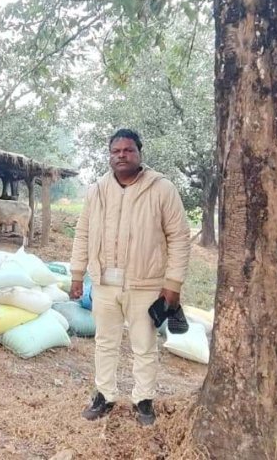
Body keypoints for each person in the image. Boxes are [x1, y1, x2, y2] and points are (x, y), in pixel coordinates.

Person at [69, 128, 190, 427]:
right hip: (104, 284)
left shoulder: (161, 188)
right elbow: (82, 233)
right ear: (110, 156)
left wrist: (172, 284)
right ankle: (104, 396)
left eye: (128, 150)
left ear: (139, 153)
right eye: (116, 151)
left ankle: (143, 400)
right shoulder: (96, 190)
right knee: (105, 342)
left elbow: (179, 237)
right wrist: (76, 274)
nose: (121, 155)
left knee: (144, 345)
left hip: (146, 283)